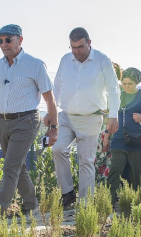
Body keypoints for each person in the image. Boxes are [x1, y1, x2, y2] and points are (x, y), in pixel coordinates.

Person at [0, 24, 58, 214]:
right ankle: (32, 207)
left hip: (27, 121)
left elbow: (49, 99)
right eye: (0, 41)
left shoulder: (35, 65)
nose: (3, 44)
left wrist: (54, 127)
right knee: (17, 166)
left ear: (20, 40)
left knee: (10, 167)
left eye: (8, 40)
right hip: (3, 121)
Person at [48, 27, 120, 207]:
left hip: (91, 117)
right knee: (58, 149)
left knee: (85, 160)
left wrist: (113, 116)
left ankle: (86, 203)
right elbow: (57, 86)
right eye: (73, 47)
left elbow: (113, 89)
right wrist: (52, 111)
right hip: (66, 116)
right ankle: (67, 193)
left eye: (80, 47)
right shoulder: (65, 60)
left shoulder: (102, 60)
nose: (76, 51)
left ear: (89, 43)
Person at [107, 67, 141, 205]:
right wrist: (106, 133)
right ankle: (108, 204)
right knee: (115, 171)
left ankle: (137, 204)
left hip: (137, 141)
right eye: (124, 84)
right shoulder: (119, 95)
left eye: (130, 84)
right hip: (118, 140)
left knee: (137, 175)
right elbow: (109, 114)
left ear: (137, 83)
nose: (126, 87)